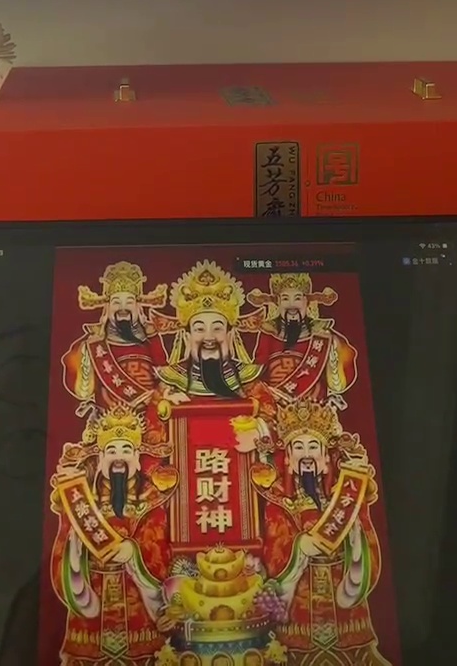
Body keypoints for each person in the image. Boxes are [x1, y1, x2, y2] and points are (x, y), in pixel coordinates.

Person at [251, 398, 391, 666]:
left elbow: (369, 541)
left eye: (313, 447)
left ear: (326, 458)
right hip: (298, 617)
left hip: (347, 614)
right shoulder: (278, 500)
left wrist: (355, 540)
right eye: (298, 447)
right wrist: (299, 548)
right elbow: (272, 550)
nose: (306, 455)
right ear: (288, 459)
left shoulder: (346, 497)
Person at [49, 406, 178, 664]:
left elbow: (162, 552)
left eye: (126, 450)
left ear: (137, 458)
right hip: (91, 617)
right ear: (101, 458)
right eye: (111, 451)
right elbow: (62, 550)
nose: (119, 458)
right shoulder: (83, 501)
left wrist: (133, 553)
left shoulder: (152, 501)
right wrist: (77, 541)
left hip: (140, 619)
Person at [62, 262, 168, 413]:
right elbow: (82, 391)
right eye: (116, 302)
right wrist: (86, 359)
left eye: (129, 302)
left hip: (147, 417)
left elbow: (164, 378)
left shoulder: (151, 339)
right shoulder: (94, 344)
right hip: (107, 420)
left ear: (137, 307)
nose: (123, 308)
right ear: (108, 308)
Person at [155, 260, 263, 400]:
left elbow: (268, 409)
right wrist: (166, 404)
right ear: (187, 337)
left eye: (217, 328)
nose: (209, 337)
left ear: (229, 335)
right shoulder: (173, 379)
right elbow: (154, 410)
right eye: (199, 329)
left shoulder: (247, 377)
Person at [247, 273, 358, 407]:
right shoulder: (268, 335)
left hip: (316, 412)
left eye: (297, 298)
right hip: (277, 411)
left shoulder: (324, 337)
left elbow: (338, 385)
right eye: (285, 299)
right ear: (278, 303)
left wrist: (333, 357)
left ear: (307, 302)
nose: (292, 305)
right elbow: (257, 375)